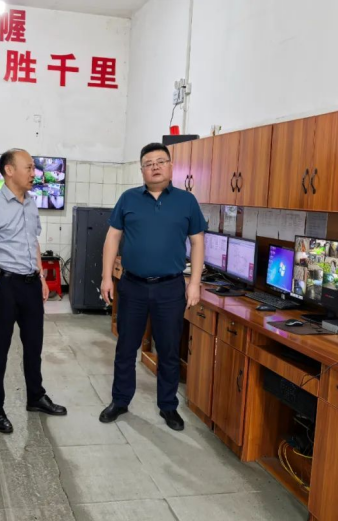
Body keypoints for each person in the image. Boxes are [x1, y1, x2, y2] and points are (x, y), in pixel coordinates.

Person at [99, 142, 207, 431]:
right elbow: (112, 238)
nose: (155, 167)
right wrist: (107, 277)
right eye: (149, 163)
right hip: (132, 286)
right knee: (126, 347)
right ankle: (120, 400)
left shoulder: (187, 201)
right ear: (142, 170)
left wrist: (194, 283)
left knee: (168, 350)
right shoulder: (128, 199)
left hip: (170, 288)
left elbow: (197, 242)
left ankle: (168, 406)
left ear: (171, 167)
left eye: (161, 161)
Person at [0, 149, 67, 434]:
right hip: (3, 284)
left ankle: (35, 396)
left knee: (34, 345)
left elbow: (33, 242)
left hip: (30, 283)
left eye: (34, 168)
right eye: (28, 167)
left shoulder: (31, 203)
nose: (33, 173)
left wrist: (41, 276)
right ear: (9, 170)